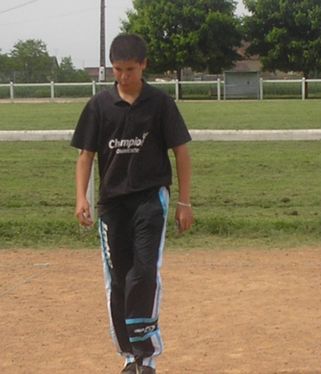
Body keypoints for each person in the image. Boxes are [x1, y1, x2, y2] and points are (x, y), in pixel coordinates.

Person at [71, 33, 194, 374]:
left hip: (150, 198)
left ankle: (147, 354)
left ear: (144, 66)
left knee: (144, 272)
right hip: (112, 203)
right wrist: (82, 196)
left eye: (129, 69)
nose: (123, 76)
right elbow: (85, 156)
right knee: (118, 279)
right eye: (117, 70)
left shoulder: (159, 103)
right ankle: (128, 355)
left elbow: (181, 152)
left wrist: (184, 201)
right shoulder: (99, 106)